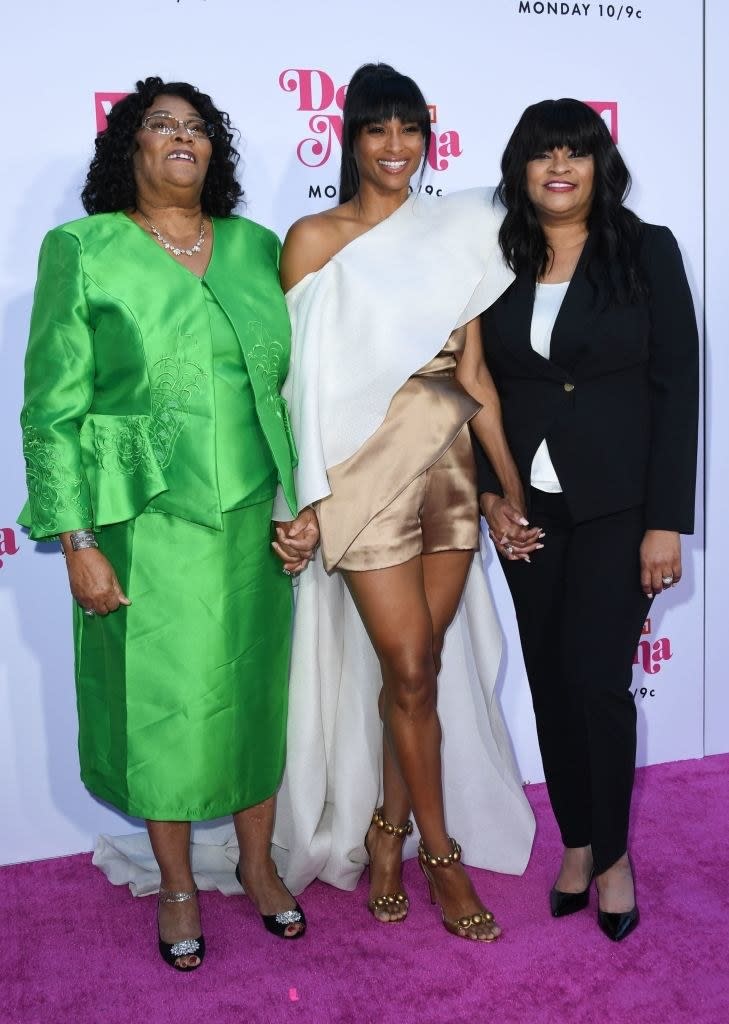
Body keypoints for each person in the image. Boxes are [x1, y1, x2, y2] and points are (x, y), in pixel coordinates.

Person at [19, 76, 317, 970]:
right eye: (161, 126)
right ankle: (179, 883)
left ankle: (259, 866)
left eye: (197, 127)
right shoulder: (83, 248)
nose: (182, 138)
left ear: (214, 152)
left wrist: (298, 507)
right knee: (159, 714)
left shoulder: (258, 248)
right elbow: (50, 411)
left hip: (253, 525)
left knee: (254, 700)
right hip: (139, 528)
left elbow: (295, 393)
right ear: (130, 148)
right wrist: (75, 540)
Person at [271, 63, 537, 942]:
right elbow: (296, 390)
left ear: (428, 138)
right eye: (378, 130)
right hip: (360, 479)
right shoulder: (312, 238)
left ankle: (388, 833)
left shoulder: (453, 233)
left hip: (450, 463)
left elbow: (473, 374)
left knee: (410, 676)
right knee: (411, 667)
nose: (396, 148)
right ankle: (440, 852)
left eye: (411, 131)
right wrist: (301, 499)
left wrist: (505, 480)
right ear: (348, 138)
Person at [476, 98, 699, 941]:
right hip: (527, 508)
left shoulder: (645, 249)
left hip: (619, 507)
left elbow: (677, 386)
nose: (558, 167)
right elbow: (473, 388)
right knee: (549, 680)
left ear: (599, 165)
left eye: (575, 152)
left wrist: (663, 522)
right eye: (541, 155)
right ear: (519, 171)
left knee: (598, 682)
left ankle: (611, 856)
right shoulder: (494, 259)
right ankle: (575, 840)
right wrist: (490, 496)